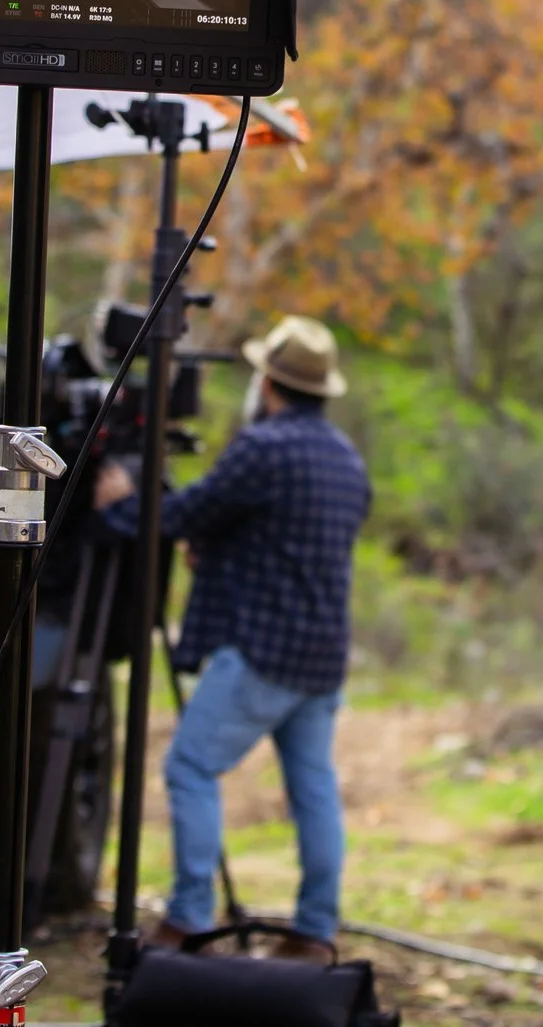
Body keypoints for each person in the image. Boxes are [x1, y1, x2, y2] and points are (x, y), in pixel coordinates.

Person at [91, 313, 371, 963]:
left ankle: (189, 919)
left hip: (264, 649)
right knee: (313, 789)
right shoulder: (346, 461)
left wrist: (121, 505)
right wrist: (218, 545)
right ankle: (313, 930)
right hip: (322, 655)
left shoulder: (263, 447)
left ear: (269, 383)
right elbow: (285, 538)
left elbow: (189, 510)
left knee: (189, 764)